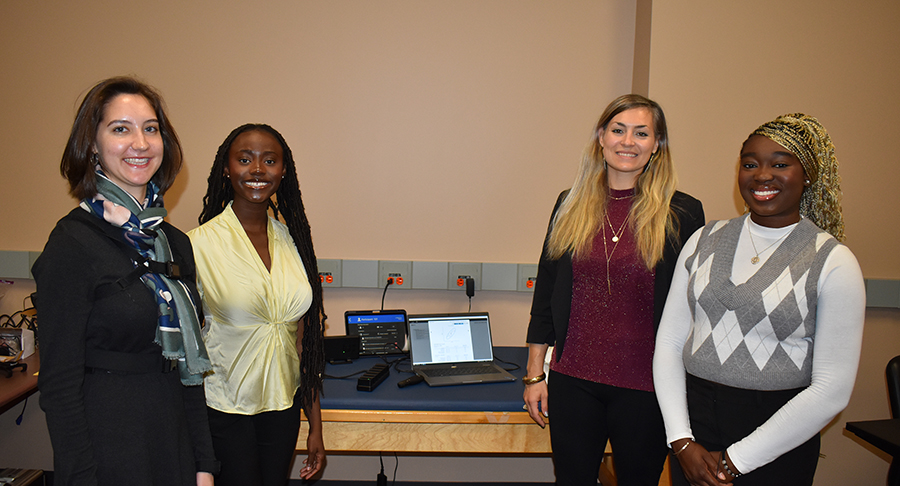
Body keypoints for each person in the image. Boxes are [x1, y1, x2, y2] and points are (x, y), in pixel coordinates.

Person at [653, 113, 866, 486]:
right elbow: (670, 343)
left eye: (780, 164)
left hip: (778, 440)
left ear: (808, 175)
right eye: (750, 164)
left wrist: (736, 460)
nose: (762, 175)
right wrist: (681, 441)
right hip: (695, 430)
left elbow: (832, 389)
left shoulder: (832, 261)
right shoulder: (704, 240)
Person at [32, 76, 217, 485]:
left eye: (151, 128)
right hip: (107, 451)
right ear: (92, 147)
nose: (141, 142)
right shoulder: (72, 244)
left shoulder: (173, 243)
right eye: (121, 129)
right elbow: (60, 386)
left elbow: (187, 367)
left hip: (173, 444)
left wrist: (204, 465)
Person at [524, 94, 705, 485]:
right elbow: (547, 291)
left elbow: (692, 309)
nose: (628, 142)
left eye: (642, 133)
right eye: (618, 130)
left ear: (657, 145)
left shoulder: (682, 213)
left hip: (646, 387)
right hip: (573, 381)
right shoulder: (568, 205)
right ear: (601, 137)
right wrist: (535, 375)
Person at [188, 124, 326, 485]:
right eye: (245, 159)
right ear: (226, 168)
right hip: (224, 408)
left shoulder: (293, 242)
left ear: (284, 170)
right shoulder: (197, 246)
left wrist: (315, 426)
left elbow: (303, 344)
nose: (258, 170)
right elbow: (183, 349)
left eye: (270, 160)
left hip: (282, 407)